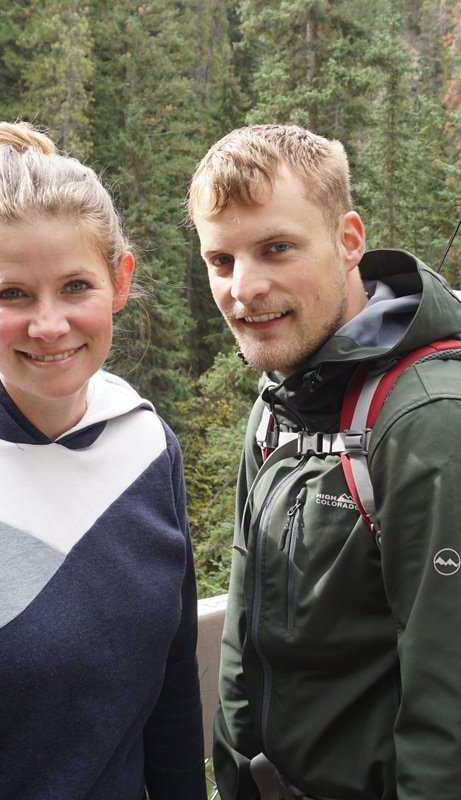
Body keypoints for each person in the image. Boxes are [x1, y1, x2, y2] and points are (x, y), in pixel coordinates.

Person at [0, 120, 206, 800]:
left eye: (76, 287)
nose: (48, 325)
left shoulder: (143, 442)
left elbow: (170, 693)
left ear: (120, 280)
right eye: (12, 294)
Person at [187, 123, 461, 800]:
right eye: (221, 260)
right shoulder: (283, 400)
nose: (243, 287)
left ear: (347, 241)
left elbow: (446, 699)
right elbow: (244, 633)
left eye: (276, 248)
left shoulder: (426, 424)